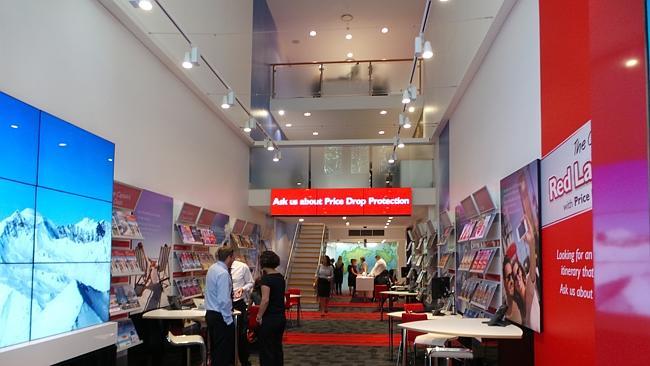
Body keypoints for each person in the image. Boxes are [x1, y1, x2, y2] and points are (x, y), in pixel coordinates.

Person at [205, 246, 235, 366]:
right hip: (220, 317)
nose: (234, 259)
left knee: (216, 350)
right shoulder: (223, 273)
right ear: (228, 257)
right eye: (233, 257)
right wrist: (228, 320)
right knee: (223, 353)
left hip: (211, 314)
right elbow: (223, 300)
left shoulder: (212, 268)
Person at [256, 251, 286, 366]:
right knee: (277, 347)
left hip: (269, 318)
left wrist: (259, 315)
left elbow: (265, 300)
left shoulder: (266, 279)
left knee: (266, 350)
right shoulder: (280, 277)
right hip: (280, 317)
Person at [231, 254, 254, 366]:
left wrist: (243, 288)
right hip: (223, 303)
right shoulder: (218, 269)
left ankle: (243, 360)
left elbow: (251, 282)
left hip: (238, 302)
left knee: (241, 333)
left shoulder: (242, 267)